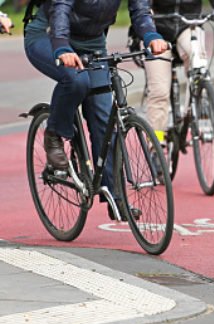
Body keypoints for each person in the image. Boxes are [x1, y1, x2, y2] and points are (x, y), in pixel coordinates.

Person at [24, 0, 168, 219]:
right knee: (76, 82)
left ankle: (116, 197)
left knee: (103, 117)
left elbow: (140, 9)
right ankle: (54, 134)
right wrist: (62, 46)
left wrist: (151, 35)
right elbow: (60, 9)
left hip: (92, 43)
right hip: (49, 35)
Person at [144, 0, 214, 144]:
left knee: (197, 57)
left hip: (189, 25)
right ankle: (155, 144)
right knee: (159, 91)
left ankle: (195, 107)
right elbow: (140, 5)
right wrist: (146, 15)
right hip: (156, 29)